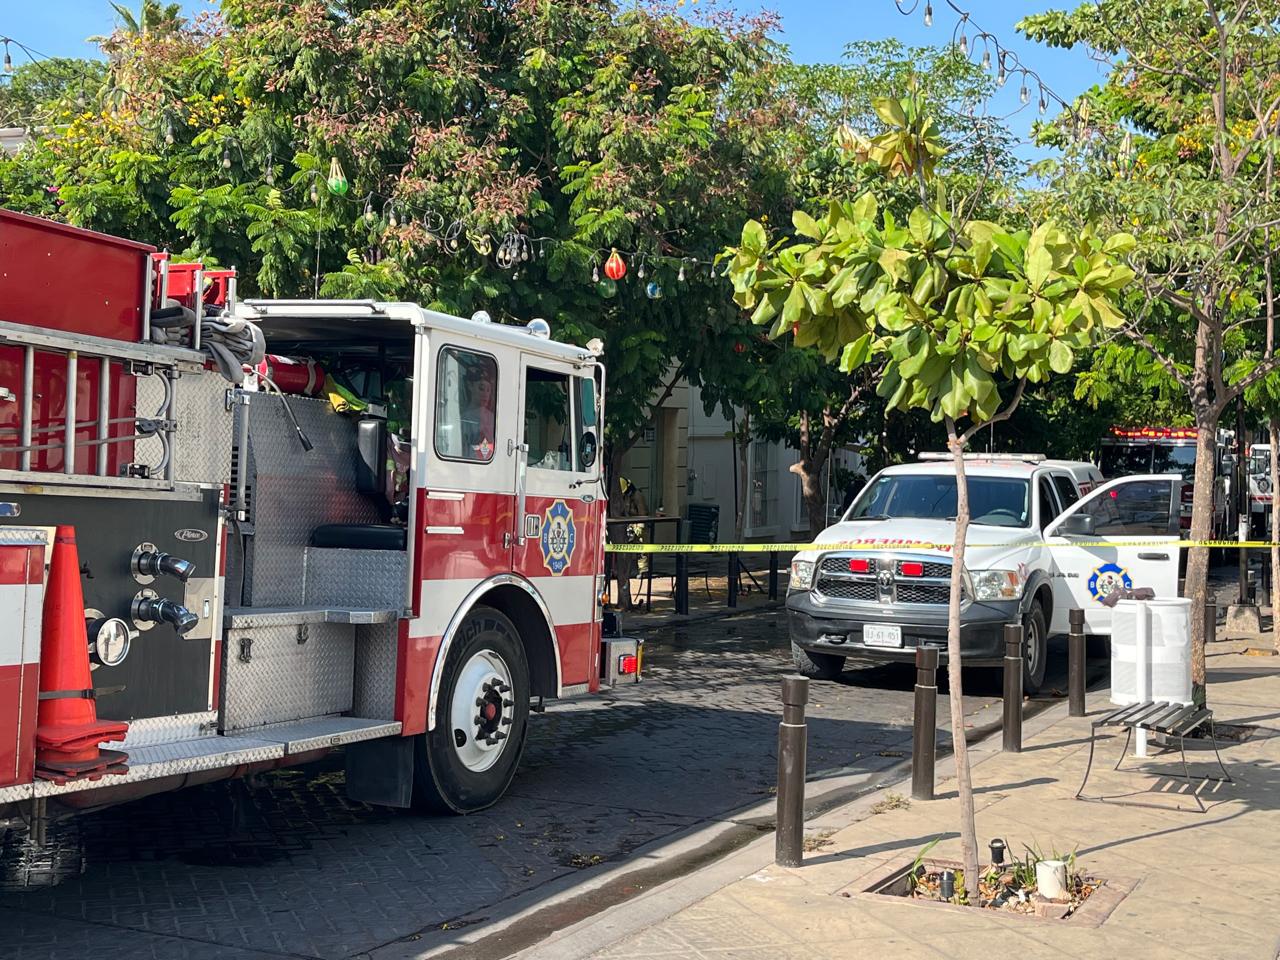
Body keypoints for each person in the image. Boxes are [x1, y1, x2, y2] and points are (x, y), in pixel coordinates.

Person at [608, 476, 648, 610]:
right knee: (625, 554)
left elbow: (642, 514)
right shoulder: (623, 495)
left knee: (641, 549)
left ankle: (643, 571)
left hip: (636, 525)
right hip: (625, 526)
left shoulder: (637, 496)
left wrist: (638, 528)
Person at [461, 366, 496, 460]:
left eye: (488, 390)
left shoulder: (493, 418)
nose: (485, 394)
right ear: (470, 386)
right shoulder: (463, 418)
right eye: (481, 388)